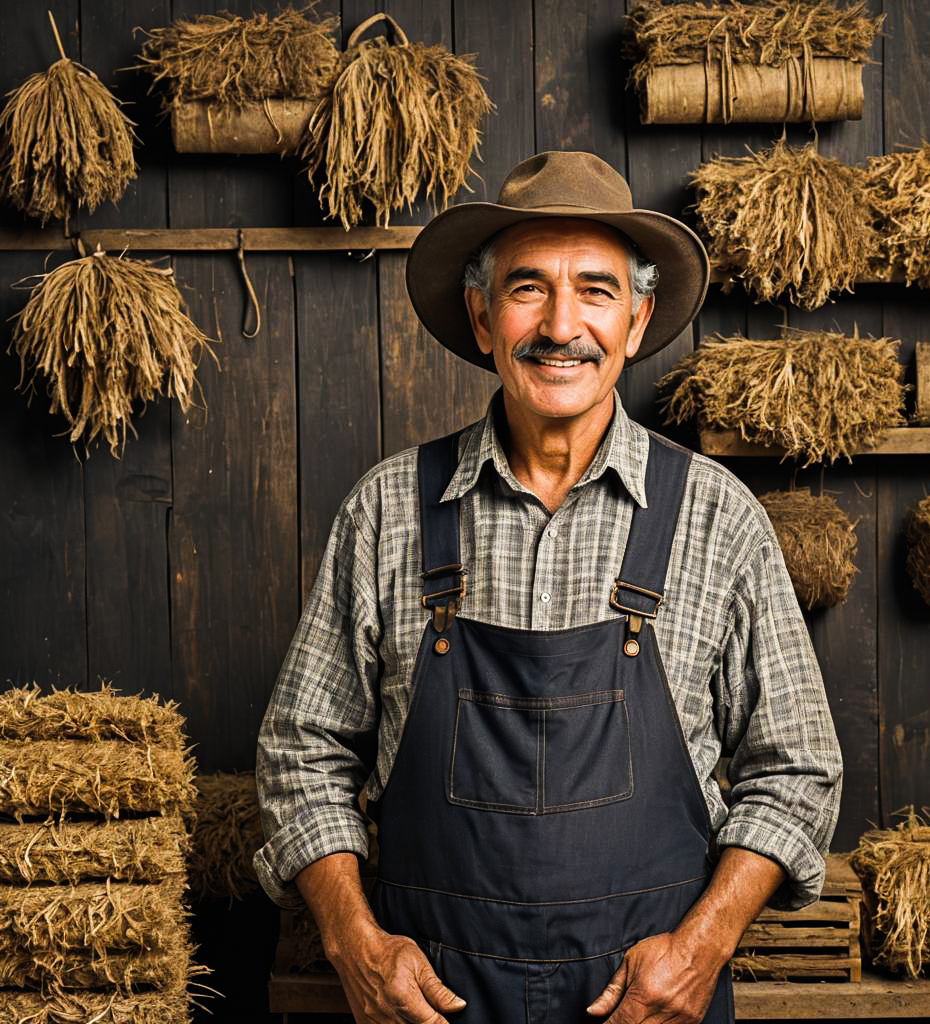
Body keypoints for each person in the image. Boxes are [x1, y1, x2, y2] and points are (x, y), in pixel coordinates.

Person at [255, 150, 843, 1024]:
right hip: (432, 1004)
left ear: (637, 321)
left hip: (650, 1001)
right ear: (483, 316)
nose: (561, 324)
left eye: (597, 291)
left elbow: (798, 771)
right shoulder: (388, 511)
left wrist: (703, 950)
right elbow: (299, 753)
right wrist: (354, 944)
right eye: (529, 288)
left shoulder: (718, 517)